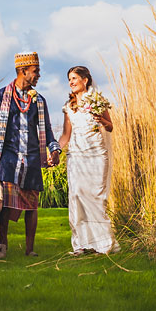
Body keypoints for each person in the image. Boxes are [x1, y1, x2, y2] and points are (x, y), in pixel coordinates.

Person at [0, 52, 61, 259]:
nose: (38, 76)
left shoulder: (39, 100)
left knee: (32, 205)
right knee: (5, 204)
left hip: (32, 158)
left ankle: (30, 249)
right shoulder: (1, 96)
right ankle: (2, 243)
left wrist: (54, 150)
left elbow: (48, 130)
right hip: (7, 157)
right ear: (23, 71)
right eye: (36, 72)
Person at [58, 65, 120, 255]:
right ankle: (81, 244)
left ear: (85, 80)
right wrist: (54, 151)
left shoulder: (98, 100)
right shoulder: (69, 106)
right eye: (69, 79)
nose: (71, 82)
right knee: (76, 196)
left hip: (96, 155)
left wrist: (101, 120)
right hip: (76, 156)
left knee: (95, 198)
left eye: (74, 78)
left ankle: (102, 243)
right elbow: (65, 135)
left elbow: (110, 127)